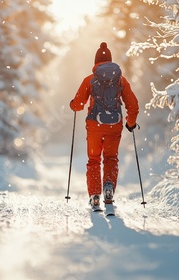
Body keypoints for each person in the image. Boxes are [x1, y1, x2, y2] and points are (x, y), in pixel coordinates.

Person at [69, 42, 139, 210]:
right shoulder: (120, 80)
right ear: (110, 61)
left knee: (94, 160)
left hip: (94, 126)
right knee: (111, 158)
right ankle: (108, 188)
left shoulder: (90, 80)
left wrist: (73, 105)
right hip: (114, 126)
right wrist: (130, 123)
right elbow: (133, 105)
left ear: (96, 62)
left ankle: (94, 195)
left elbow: (78, 105)